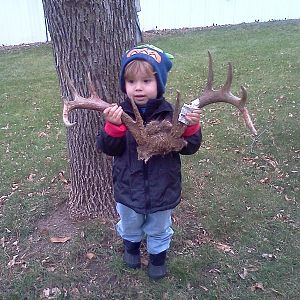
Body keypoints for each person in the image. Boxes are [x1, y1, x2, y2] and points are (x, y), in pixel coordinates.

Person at [96, 44, 202, 279]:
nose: (139, 88)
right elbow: (108, 148)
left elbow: (191, 148)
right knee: (130, 226)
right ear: (124, 85)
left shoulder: (172, 114)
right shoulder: (118, 113)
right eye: (132, 82)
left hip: (163, 189)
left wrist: (191, 126)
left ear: (159, 84)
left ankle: (157, 260)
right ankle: (131, 251)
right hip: (128, 188)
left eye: (146, 81)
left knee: (159, 228)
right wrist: (113, 127)